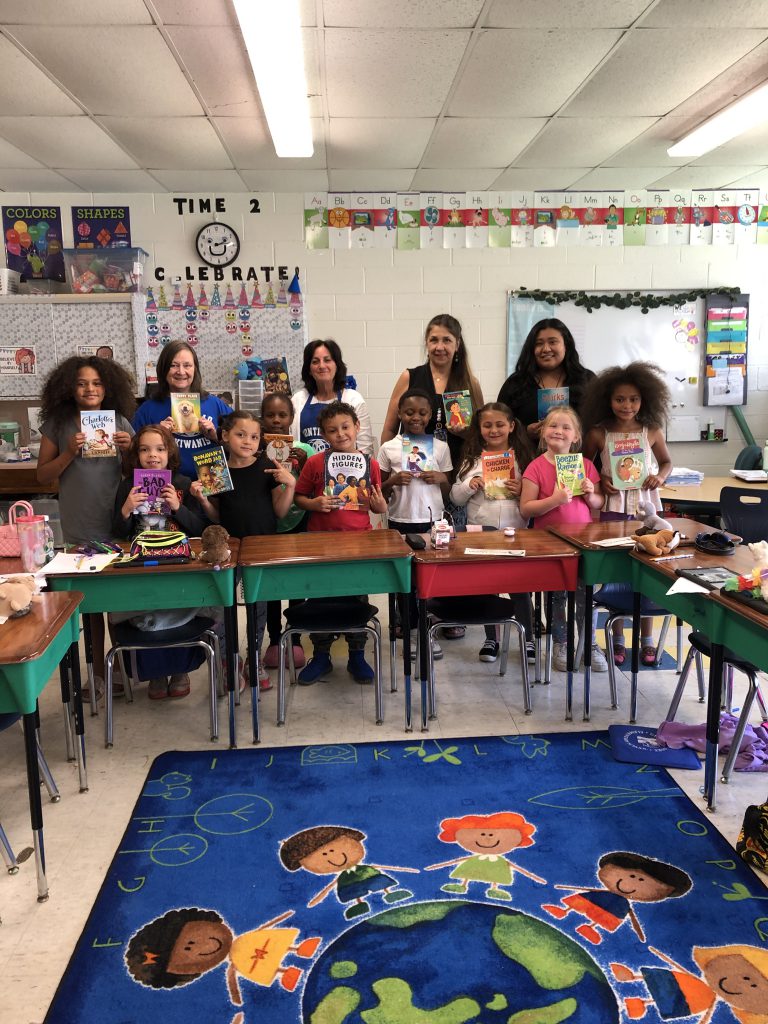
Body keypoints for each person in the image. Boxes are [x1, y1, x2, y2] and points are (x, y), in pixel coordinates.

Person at [37, 355, 135, 699]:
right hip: (80, 527)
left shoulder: (119, 421)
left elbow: (137, 473)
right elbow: (43, 475)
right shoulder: (57, 424)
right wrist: (67, 453)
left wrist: (127, 450)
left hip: (116, 522)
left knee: (118, 604)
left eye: (96, 383)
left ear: (107, 387)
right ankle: (96, 677)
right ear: (69, 387)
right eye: (81, 383)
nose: (89, 389)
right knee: (90, 606)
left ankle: (121, 672)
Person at [381, 313, 483, 639]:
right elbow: (388, 425)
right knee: (409, 549)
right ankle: (406, 617)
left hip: (451, 475)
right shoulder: (410, 376)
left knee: (448, 549)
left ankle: (448, 614)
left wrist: (466, 431)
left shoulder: (469, 383)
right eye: (434, 339)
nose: (440, 346)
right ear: (427, 343)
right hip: (412, 481)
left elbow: (481, 431)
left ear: (457, 346)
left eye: (446, 341)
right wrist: (383, 466)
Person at [191, 410, 296, 692]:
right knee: (223, 606)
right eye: (240, 434)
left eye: (254, 436)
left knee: (257, 607)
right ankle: (228, 660)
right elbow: (216, 517)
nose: (247, 441)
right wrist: (203, 500)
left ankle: (255, 660)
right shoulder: (215, 468)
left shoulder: (266, 467)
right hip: (228, 550)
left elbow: (280, 512)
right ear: (224, 436)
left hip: (261, 548)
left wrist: (291, 484)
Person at [583, 363, 673, 667]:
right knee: (616, 572)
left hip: (647, 507)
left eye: (633, 399)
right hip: (613, 509)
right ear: (608, 399)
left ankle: (646, 638)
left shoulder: (652, 431)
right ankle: (617, 637)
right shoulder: (598, 432)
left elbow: (667, 463)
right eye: (620, 399)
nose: (627, 405)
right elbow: (585, 466)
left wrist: (660, 477)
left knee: (647, 574)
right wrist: (600, 481)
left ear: (644, 399)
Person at [112, 425, 210, 700]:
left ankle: (180, 670)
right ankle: (154, 673)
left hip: (177, 563)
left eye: (159, 449)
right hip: (141, 565)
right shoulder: (128, 485)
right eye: (144, 449)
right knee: (146, 614)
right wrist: (127, 508)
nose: (152, 455)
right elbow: (118, 532)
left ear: (170, 452)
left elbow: (201, 529)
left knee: (178, 612)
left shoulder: (181, 483)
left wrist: (178, 508)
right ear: (136, 455)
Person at [293, 401, 388, 684]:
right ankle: (321, 655)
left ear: (357, 427)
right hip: (320, 543)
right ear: (324, 435)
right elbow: (299, 498)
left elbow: (377, 506)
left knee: (357, 596)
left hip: (358, 543)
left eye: (346, 427)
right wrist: (314, 503)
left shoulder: (369, 464)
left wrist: (380, 505)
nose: (341, 434)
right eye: (332, 430)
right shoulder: (314, 463)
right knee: (321, 597)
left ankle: (357, 654)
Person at [519, 406, 607, 673]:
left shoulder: (586, 466)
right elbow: (526, 508)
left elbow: (599, 503)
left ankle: (589, 643)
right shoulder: (535, 467)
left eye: (566, 427)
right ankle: (561, 642)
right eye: (553, 426)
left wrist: (591, 494)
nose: (558, 430)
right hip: (550, 544)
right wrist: (554, 500)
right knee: (557, 596)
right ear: (543, 433)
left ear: (576, 436)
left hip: (583, 543)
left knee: (586, 596)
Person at [449, 402, 535, 663]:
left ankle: (528, 639)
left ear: (511, 426)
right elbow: (455, 497)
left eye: (500, 424)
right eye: (487, 425)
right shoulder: (471, 459)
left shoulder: (523, 459)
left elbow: (536, 496)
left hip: (516, 532)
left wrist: (522, 490)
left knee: (521, 589)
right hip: (483, 534)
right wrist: (468, 486)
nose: (494, 430)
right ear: (479, 428)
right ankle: (491, 639)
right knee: (488, 588)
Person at [378, 387, 452, 660]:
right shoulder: (389, 448)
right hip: (400, 521)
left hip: (433, 521)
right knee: (405, 584)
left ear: (430, 415)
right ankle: (409, 633)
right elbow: (380, 491)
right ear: (400, 413)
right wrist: (393, 481)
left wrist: (440, 478)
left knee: (429, 583)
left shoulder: (440, 447)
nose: (415, 417)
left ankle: (427, 633)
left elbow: (449, 489)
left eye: (422, 412)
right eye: (409, 412)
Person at [260, 392, 314, 672]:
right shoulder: (254, 449)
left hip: (298, 522)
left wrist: (303, 464)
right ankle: (273, 637)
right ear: (262, 418)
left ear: (292, 419)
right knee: (270, 587)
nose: (277, 420)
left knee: (295, 582)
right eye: (270, 415)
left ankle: (294, 635)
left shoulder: (305, 449)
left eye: (283, 415)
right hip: (267, 526)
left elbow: (316, 486)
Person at [133, 341, 232, 479]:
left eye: (187, 365)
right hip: (166, 486)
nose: (181, 371)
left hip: (212, 482)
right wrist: (158, 436)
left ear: (195, 369)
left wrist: (217, 436)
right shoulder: (147, 409)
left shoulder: (213, 403)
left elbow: (240, 442)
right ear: (163, 369)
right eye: (173, 365)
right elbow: (133, 455)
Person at [497, 318, 595, 442]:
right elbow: (499, 422)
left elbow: (599, 422)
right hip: (528, 457)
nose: (546, 349)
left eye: (553, 342)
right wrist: (525, 431)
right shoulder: (516, 383)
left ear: (566, 345)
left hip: (574, 458)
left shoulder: (586, 380)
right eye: (539, 343)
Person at [290, 339, 373, 455]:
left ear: (337, 365)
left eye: (327, 360)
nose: (322, 366)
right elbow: (290, 442)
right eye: (315, 362)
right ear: (308, 369)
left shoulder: (354, 399)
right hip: (304, 471)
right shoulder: (298, 399)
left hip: (347, 471)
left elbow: (366, 449)